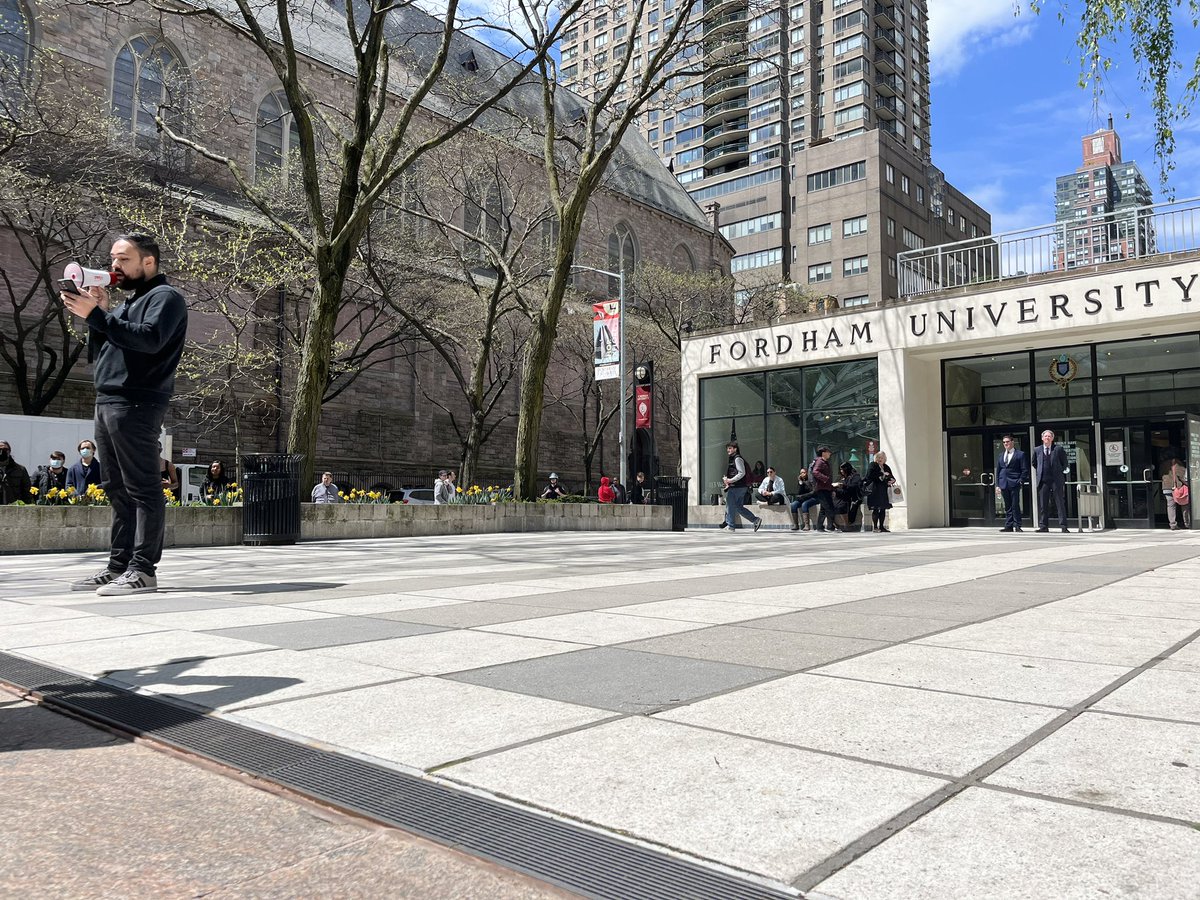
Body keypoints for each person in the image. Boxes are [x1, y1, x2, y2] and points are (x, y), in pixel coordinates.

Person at [61, 234, 188, 595]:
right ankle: (118, 566)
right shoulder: (126, 305)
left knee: (143, 487)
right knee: (116, 488)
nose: (113, 266)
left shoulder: (166, 298)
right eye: (113, 259)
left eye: (123, 260)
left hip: (137, 402)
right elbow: (100, 352)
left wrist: (100, 315)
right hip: (109, 401)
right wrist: (98, 314)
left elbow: (149, 340)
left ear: (148, 263)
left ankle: (143, 570)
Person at [1033, 429, 1069, 533]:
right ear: (1042, 438)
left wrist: (1059, 472)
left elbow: (1064, 463)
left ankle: (1063, 526)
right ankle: (1043, 526)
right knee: (1043, 505)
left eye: (1049, 436)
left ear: (1052, 438)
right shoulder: (1037, 450)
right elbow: (1034, 463)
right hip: (1043, 480)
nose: (1047, 438)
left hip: (1056, 480)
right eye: (1045, 436)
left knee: (1060, 503)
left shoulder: (1058, 449)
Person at [720, 441, 761, 532]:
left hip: (737, 486)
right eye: (728, 448)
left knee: (730, 505)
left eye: (730, 448)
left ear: (735, 449)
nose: (728, 450)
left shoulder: (737, 458)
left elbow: (742, 473)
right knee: (738, 507)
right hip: (740, 486)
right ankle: (755, 520)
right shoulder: (734, 458)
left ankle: (731, 526)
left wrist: (730, 480)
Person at [994, 435, 1029, 533]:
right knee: (1007, 506)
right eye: (1004, 442)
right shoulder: (1001, 455)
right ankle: (1008, 525)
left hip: (1014, 483)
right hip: (1003, 483)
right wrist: (997, 485)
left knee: (1015, 505)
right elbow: (999, 471)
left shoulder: (1020, 454)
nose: (1006, 444)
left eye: (1008, 441)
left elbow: (1024, 469)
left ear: (1012, 442)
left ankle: (1017, 525)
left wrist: (1020, 480)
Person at [864, 451, 897, 533]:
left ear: (885, 459)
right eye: (878, 457)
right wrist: (881, 474)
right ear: (876, 458)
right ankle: (875, 527)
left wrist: (892, 480)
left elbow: (890, 476)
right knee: (875, 508)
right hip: (875, 490)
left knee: (883, 509)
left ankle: (882, 527)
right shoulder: (873, 465)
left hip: (884, 490)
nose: (880, 459)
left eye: (882, 458)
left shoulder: (886, 466)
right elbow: (869, 475)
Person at [810, 446, 839, 533]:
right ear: (823, 453)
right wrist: (825, 479)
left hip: (826, 488)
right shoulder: (820, 461)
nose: (830, 453)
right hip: (822, 488)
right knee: (829, 507)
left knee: (824, 508)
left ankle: (820, 526)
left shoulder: (824, 462)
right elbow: (815, 472)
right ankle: (830, 526)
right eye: (828, 452)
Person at [833, 461, 864, 531]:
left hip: (852, 496)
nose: (841, 471)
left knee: (841, 505)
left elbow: (853, 487)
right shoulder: (841, 477)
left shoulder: (855, 476)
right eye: (840, 470)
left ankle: (846, 524)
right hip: (842, 495)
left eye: (842, 469)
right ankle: (836, 525)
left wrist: (842, 485)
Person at [1162, 458, 1191, 531]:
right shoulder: (1176, 462)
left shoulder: (1162, 464)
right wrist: (1188, 484)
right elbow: (1182, 476)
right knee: (1184, 504)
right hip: (1177, 488)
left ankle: (1172, 524)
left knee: (1170, 506)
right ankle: (1187, 523)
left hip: (1166, 487)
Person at [789, 466, 816, 531]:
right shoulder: (801, 482)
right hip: (803, 498)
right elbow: (799, 492)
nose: (802, 474)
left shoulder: (811, 480)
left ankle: (806, 525)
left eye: (804, 472)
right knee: (793, 505)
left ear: (807, 473)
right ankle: (796, 524)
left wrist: (803, 496)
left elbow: (813, 492)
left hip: (812, 498)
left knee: (804, 504)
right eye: (801, 473)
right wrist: (800, 483)